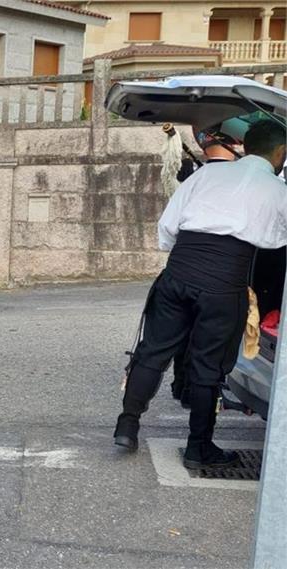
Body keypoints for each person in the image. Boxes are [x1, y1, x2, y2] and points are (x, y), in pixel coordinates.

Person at [114, 119, 287, 469]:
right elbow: (274, 241)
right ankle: (199, 449)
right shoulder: (277, 190)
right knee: (208, 369)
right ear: (280, 153)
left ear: (244, 145)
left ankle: (127, 426)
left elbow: (168, 228)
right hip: (224, 285)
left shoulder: (207, 175)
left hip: (178, 273)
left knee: (152, 353)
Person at [169, 126, 240, 406]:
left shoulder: (197, 175)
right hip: (218, 271)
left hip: (186, 264)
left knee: (186, 332)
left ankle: (183, 386)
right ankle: (186, 388)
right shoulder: (209, 177)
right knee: (203, 341)